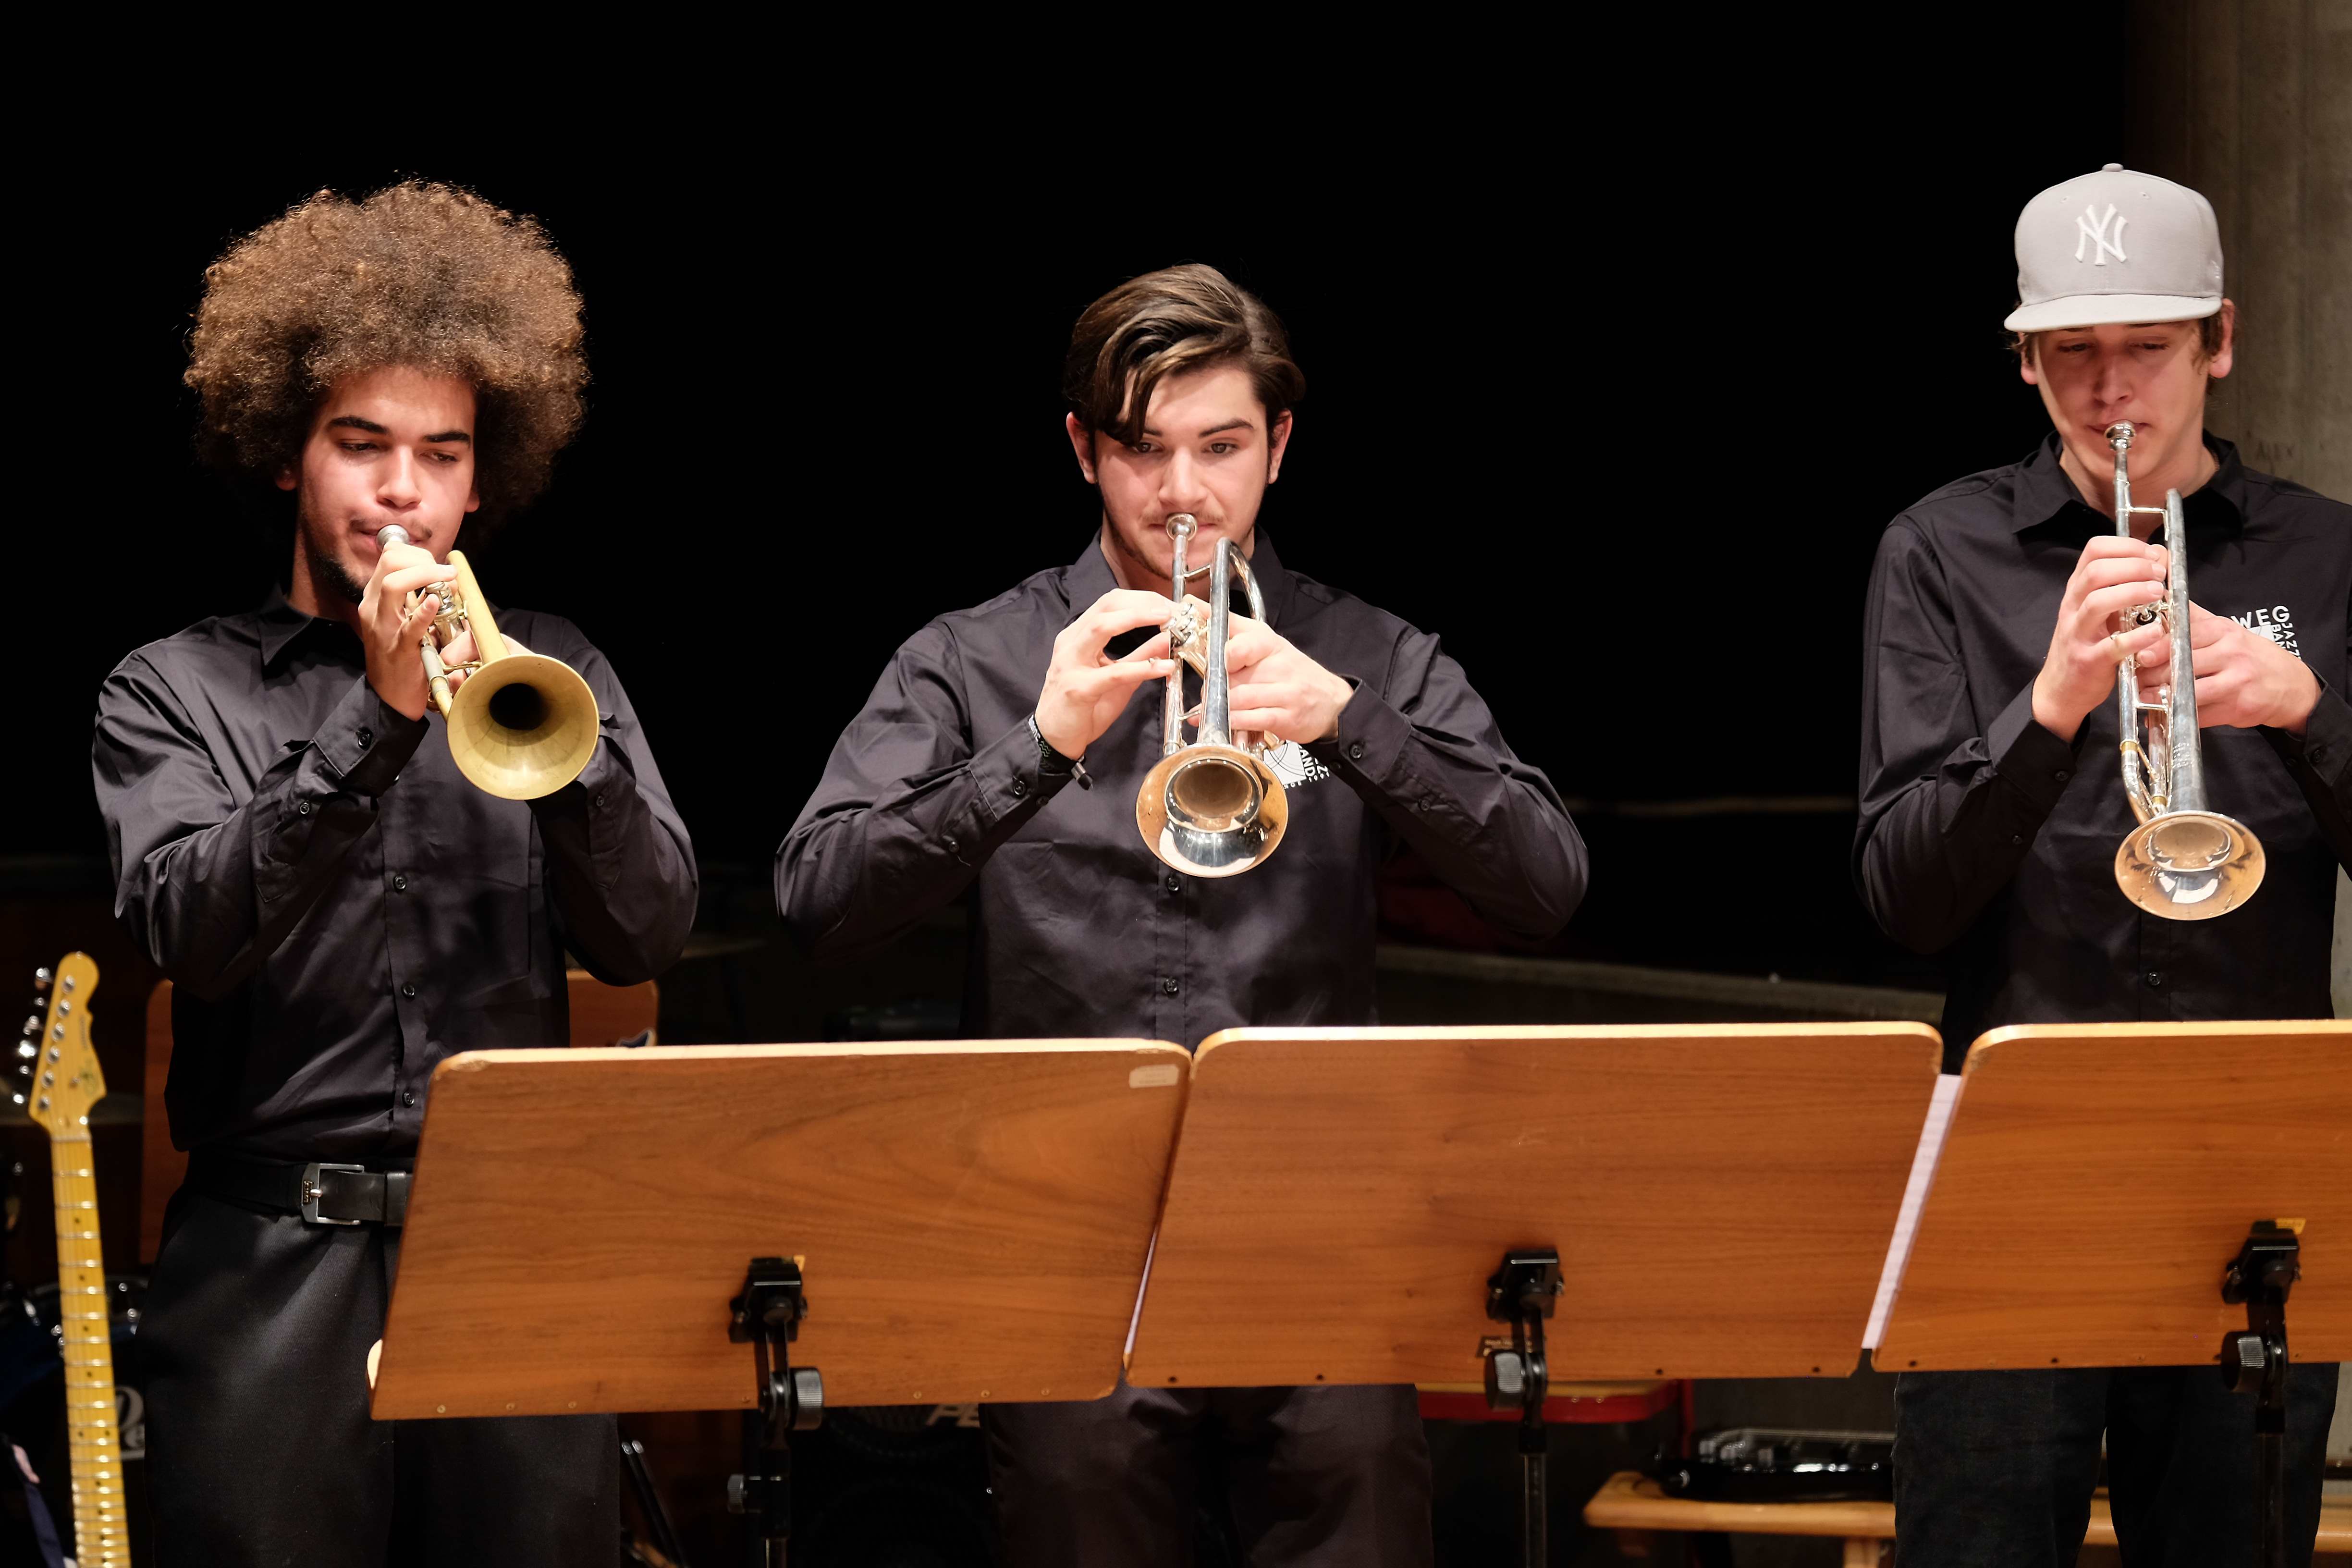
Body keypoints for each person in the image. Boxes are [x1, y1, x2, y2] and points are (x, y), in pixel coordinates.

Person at [778, 263, 1584, 1565]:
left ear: (1280, 445)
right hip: (1067, 1225)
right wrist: (1033, 749)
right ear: (1082, 451)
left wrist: (1352, 728)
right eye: (1143, 451)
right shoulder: (976, 660)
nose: (1184, 494)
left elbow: (1546, 885)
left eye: (1221, 447)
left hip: (1315, 1222)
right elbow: (817, 900)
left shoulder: (1367, 656)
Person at [92, 183, 697, 1567]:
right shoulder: (169, 689)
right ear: (288, 456)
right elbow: (191, 933)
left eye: (441, 453)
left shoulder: (558, 667)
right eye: (360, 445)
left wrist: (558, 751)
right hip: (266, 1272)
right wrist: (376, 723)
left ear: (483, 480)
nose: (401, 490)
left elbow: (646, 934)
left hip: (505, 1255)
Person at [1856, 164, 2347, 1567]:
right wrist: (2051, 707)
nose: (2110, 389)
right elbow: (1903, 900)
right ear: (2025, 359)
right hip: (2011, 1166)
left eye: (2148, 346)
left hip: (2249, 1161)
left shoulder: (2326, 553)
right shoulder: (1941, 552)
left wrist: (2307, 711)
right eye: (2072, 351)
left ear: (2221, 341)